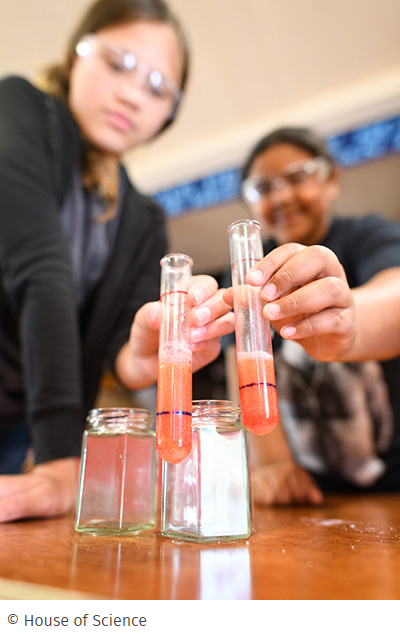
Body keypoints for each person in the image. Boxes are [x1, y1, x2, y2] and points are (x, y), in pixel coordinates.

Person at [0, 0, 234, 523]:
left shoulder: (144, 218)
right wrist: (62, 457)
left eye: (157, 89)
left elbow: (115, 356)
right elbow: (42, 269)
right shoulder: (18, 107)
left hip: (16, 421)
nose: (132, 94)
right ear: (75, 54)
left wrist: (145, 354)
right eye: (117, 63)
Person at [223, 126, 400, 506]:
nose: (282, 196)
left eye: (297, 177)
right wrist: (272, 462)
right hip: (308, 497)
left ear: (331, 179)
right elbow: (237, 364)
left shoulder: (369, 235)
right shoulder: (246, 272)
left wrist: (347, 324)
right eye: (263, 187)